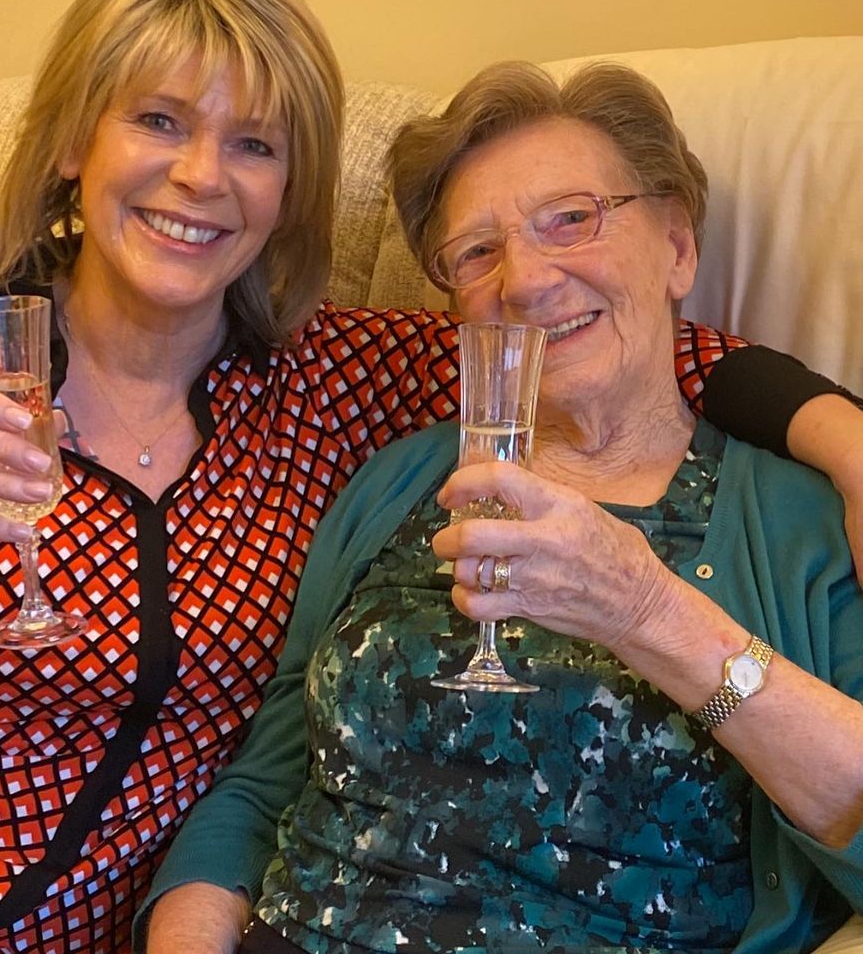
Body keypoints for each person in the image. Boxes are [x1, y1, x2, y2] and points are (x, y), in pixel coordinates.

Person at [0, 0, 860, 954]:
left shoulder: (328, 385)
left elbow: (628, 351)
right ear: (72, 143)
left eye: (255, 144)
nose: (528, 279)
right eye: (157, 120)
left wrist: (841, 443)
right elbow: (269, 773)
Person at [142, 61, 863, 954]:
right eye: (478, 252)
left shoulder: (807, 521)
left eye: (572, 218)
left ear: (678, 244)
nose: (524, 280)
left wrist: (645, 610)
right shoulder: (399, 480)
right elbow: (263, 784)